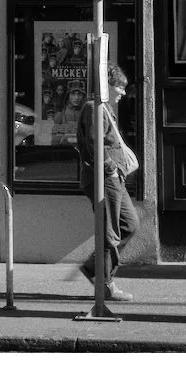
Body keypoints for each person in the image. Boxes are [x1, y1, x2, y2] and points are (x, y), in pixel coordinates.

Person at [75, 63, 139, 306]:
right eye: (119, 87)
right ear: (107, 85)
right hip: (104, 179)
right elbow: (95, 145)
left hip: (114, 179)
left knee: (129, 224)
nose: (122, 92)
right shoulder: (95, 108)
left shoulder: (103, 108)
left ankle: (95, 268)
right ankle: (106, 285)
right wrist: (111, 169)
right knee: (109, 232)